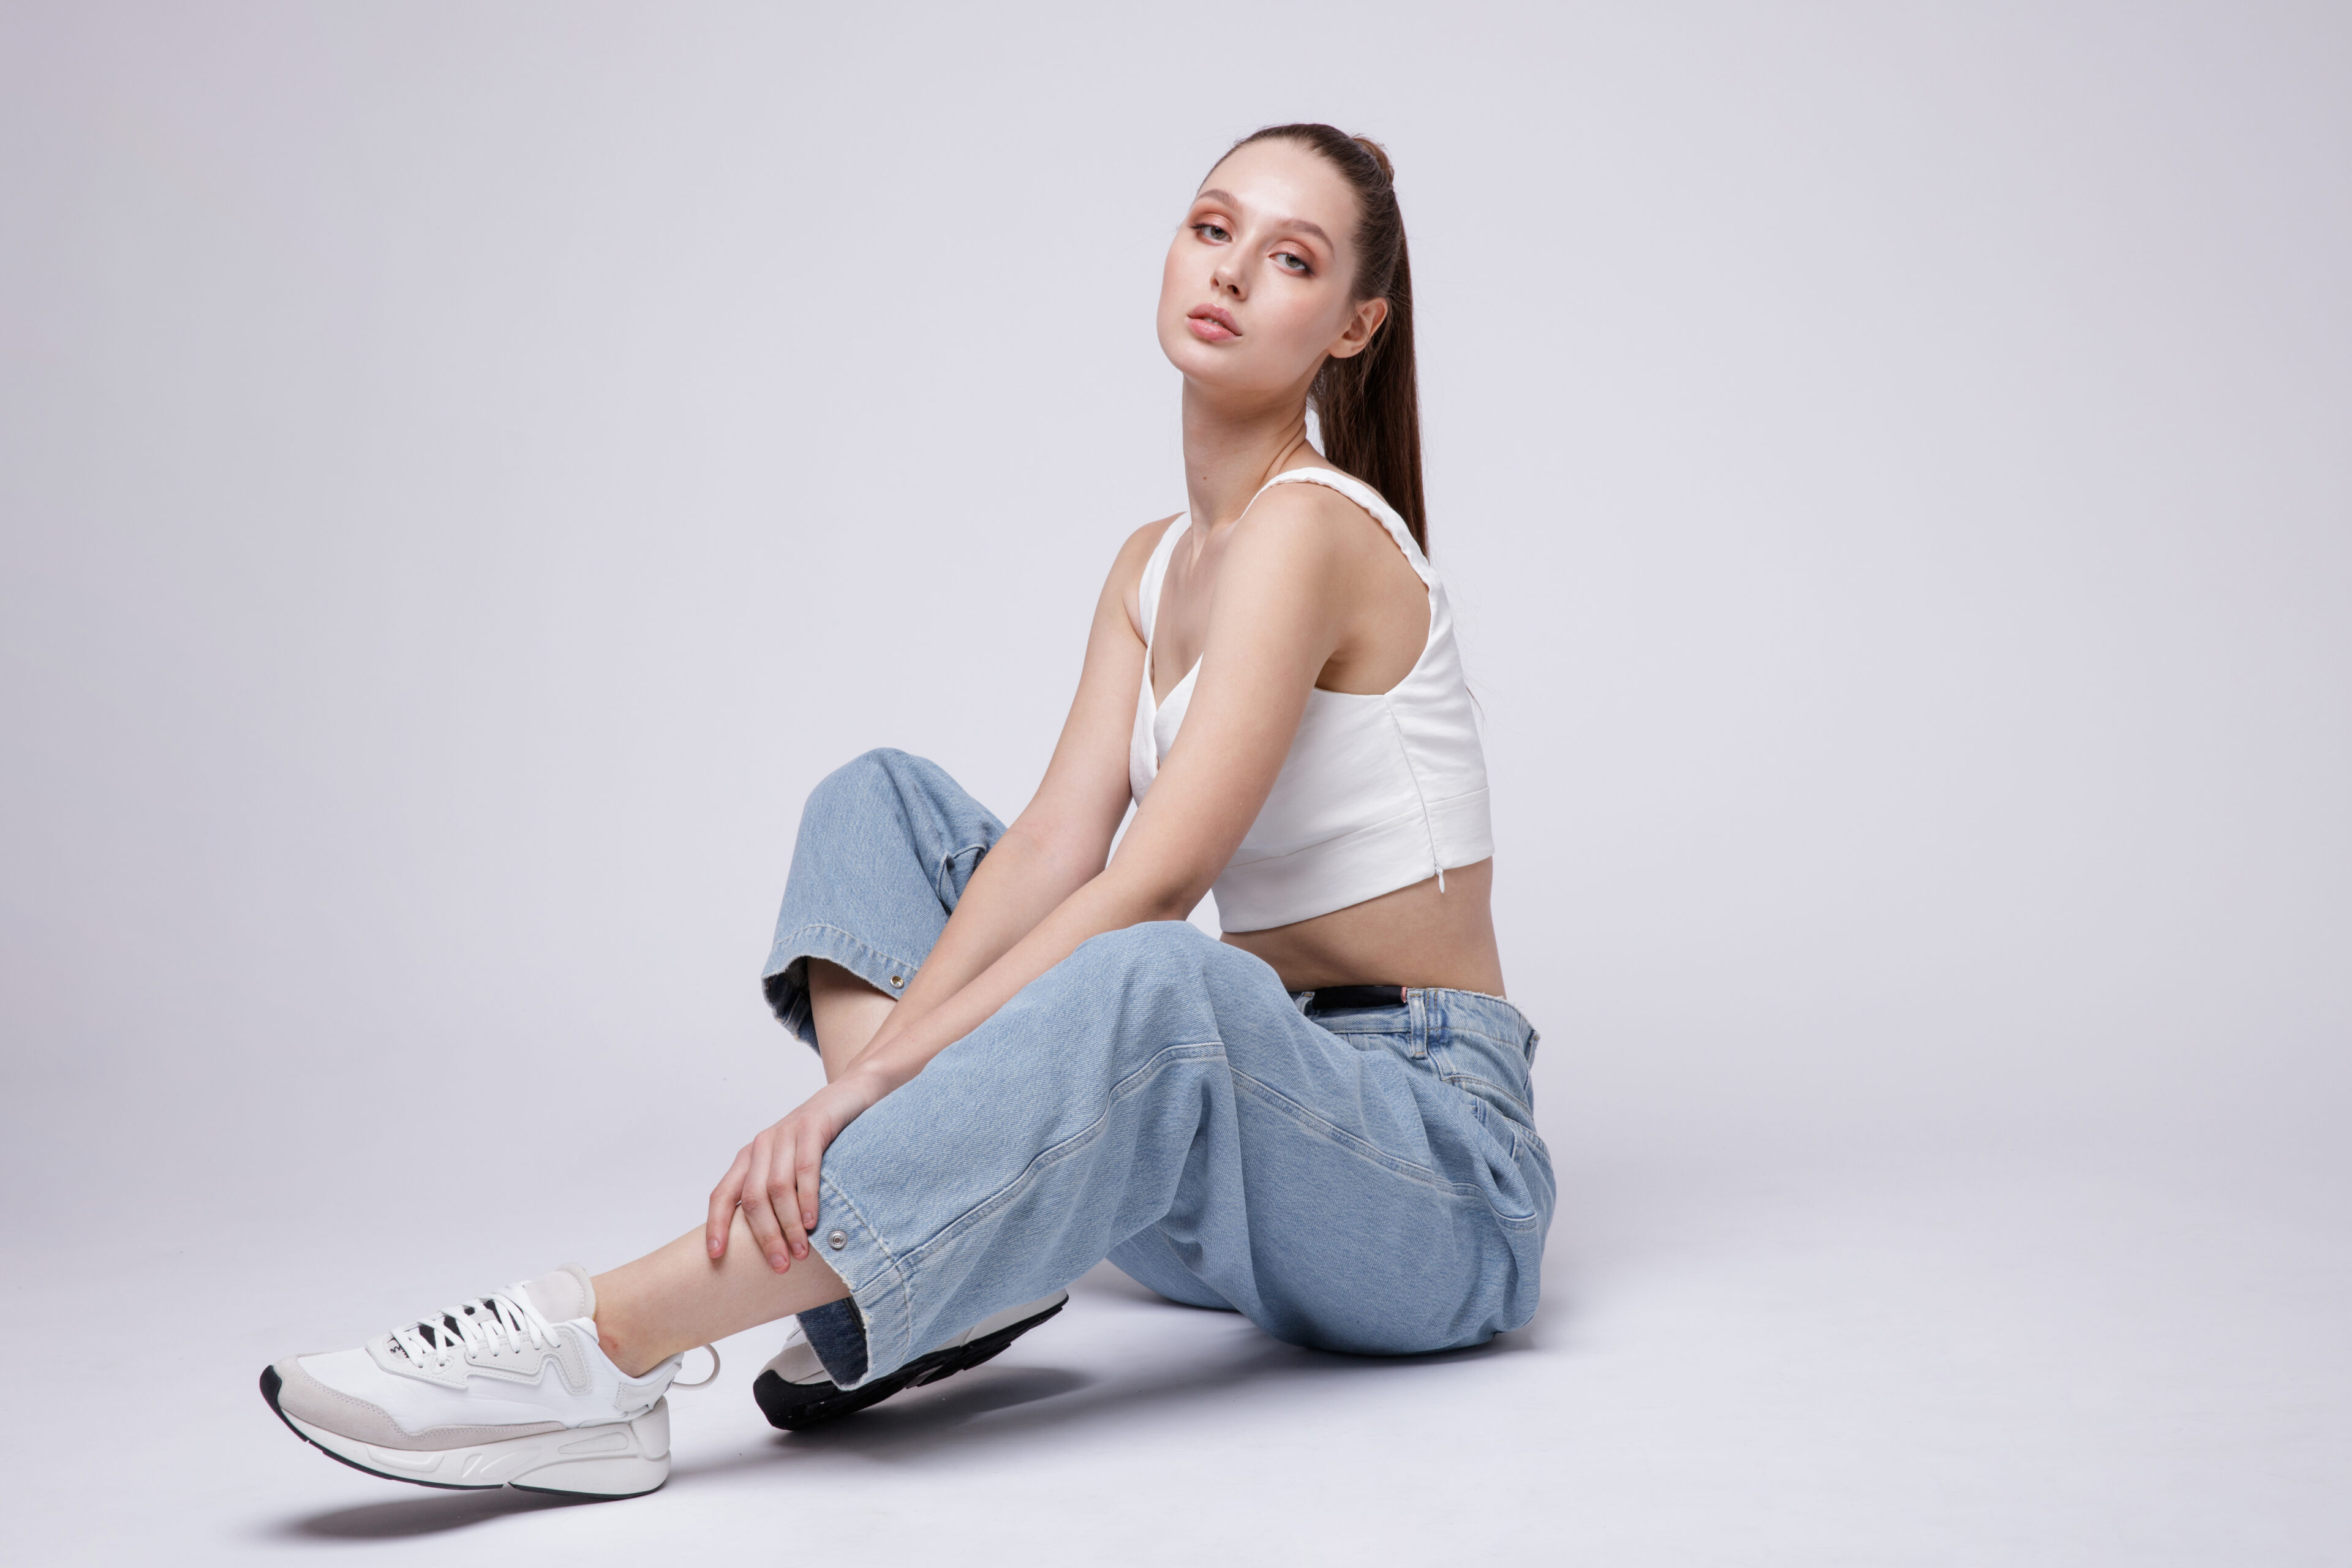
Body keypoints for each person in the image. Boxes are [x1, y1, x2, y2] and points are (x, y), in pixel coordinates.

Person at [259, 123, 1555, 1498]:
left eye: (1289, 259)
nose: (1230, 271)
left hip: (1426, 1175)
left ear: (1355, 325)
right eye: (1211, 226)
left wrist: (877, 1080)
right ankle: (956, 1254)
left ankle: (602, 1345)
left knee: (1165, 978)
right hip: (1213, 1171)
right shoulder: (1152, 562)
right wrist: (914, 1095)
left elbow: (1155, 881)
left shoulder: (1314, 527)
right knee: (878, 803)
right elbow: (1062, 842)